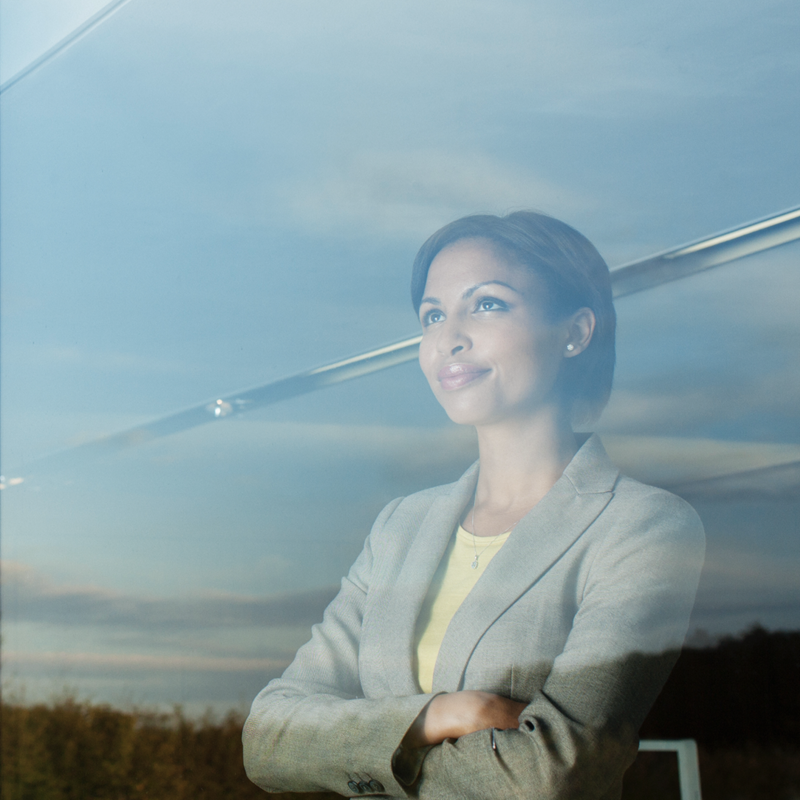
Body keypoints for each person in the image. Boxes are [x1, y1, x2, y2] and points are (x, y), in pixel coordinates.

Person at [243, 211, 705, 799]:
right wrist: (444, 714)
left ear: (576, 331)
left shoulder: (640, 527)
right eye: (433, 315)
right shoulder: (400, 527)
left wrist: (358, 751)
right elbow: (267, 739)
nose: (448, 336)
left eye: (487, 304)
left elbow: (549, 775)